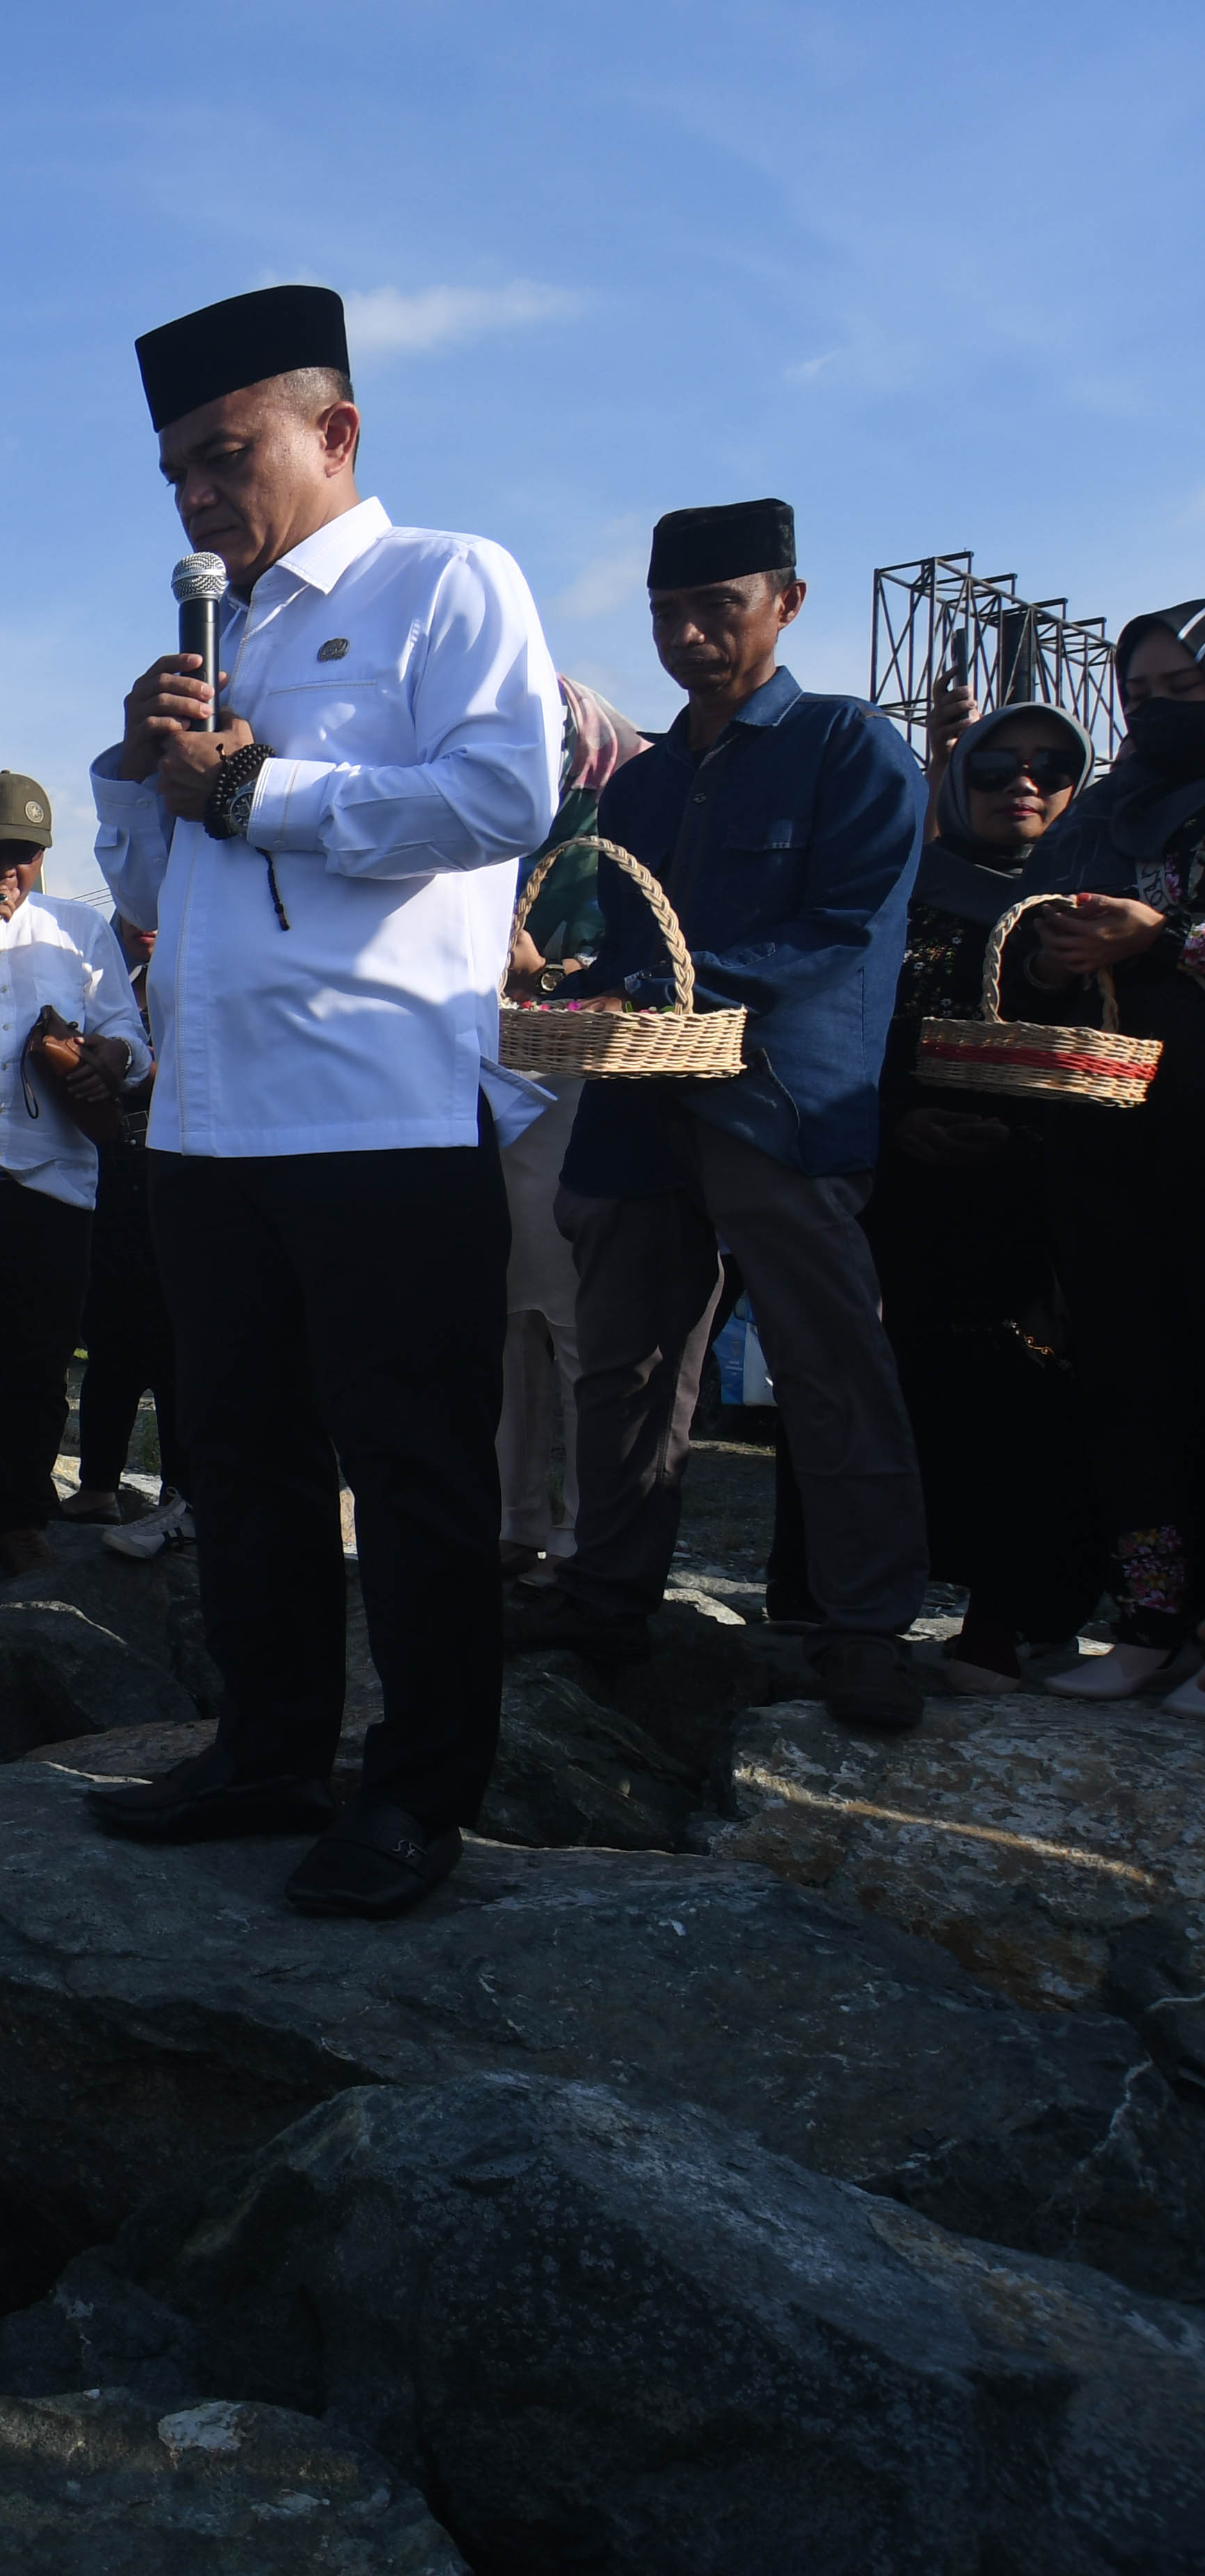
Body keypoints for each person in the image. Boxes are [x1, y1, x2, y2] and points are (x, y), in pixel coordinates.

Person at [78, 282, 562, 1921]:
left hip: (383, 1115)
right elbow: (158, 891)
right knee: (238, 1458)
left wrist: (264, 788)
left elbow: (506, 791)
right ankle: (268, 1746)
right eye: (175, 473)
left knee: (413, 1471)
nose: (197, 496)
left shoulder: (445, 580)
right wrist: (137, 774)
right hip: (209, 1123)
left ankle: (419, 1791)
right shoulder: (224, 638)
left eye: (226, 455)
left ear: (335, 430)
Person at [509, 500, 930, 1737]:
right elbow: (625, 943)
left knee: (827, 1357)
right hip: (639, 1100)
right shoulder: (639, 784)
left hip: (783, 1099)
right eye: (666, 614)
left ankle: (864, 1627)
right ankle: (607, 1594)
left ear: (786, 604)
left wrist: (669, 990)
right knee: (623, 1359)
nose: (688, 635)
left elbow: (847, 928)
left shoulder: (850, 746)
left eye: (717, 608)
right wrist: (576, 990)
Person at [835, 699, 1098, 1690]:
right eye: (994, 768)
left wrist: (1025, 1139)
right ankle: (858, 1605)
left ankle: (1013, 1620)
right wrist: (901, 1118)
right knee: (891, 1385)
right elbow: (856, 1023)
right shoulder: (900, 893)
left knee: (1034, 1400)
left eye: (1049, 767)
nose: (1021, 785)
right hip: (908, 1180)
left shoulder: (1095, 907)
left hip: (1047, 1191)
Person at [1007, 598, 1205, 1713]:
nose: (1159, 713)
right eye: (1140, 697)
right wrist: (1056, 959)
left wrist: (1165, 936)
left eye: (1185, 691)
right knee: (1128, 1372)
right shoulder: (1103, 815)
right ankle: (1150, 1624)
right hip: (1109, 1127)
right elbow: (1027, 956)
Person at [0, 770, 150, 1575]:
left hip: (51, 1178)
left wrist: (108, 1057)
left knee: (39, 1358)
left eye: (24, 855)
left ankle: (20, 1513)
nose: (7, 871)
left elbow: (130, 1037)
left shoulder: (76, 931)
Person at [494, 675, 653, 1586]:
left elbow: (641, 958)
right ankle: (513, 1519)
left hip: (576, 1082)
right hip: (484, 1077)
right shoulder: (486, 821)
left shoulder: (614, 822)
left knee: (571, 1317)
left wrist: (546, 973)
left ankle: (583, 1537)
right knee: (504, 1315)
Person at [67, 915, 195, 1559]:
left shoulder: (192, 985)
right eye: (136, 914)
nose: (148, 926)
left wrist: (127, 1067)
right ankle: (97, 1484)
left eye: (160, 915)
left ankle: (182, 1492)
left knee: (176, 1343)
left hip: (178, 1171)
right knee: (109, 1336)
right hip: (109, 1172)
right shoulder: (98, 989)